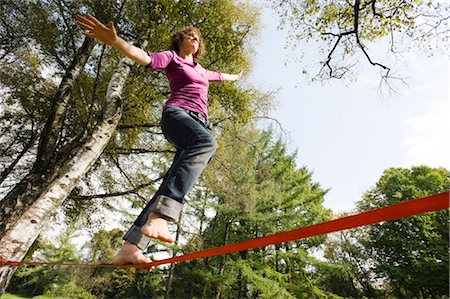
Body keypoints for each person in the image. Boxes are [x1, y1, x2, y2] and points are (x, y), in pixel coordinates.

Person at [75, 14, 242, 265]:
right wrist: (115, 41)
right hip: (178, 115)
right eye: (190, 35)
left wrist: (235, 77)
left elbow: (220, 75)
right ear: (179, 40)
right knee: (206, 143)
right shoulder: (171, 57)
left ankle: (130, 247)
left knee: (174, 176)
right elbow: (143, 57)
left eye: (198, 37)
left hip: (198, 123)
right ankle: (162, 215)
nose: (194, 38)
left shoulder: (201, 71)